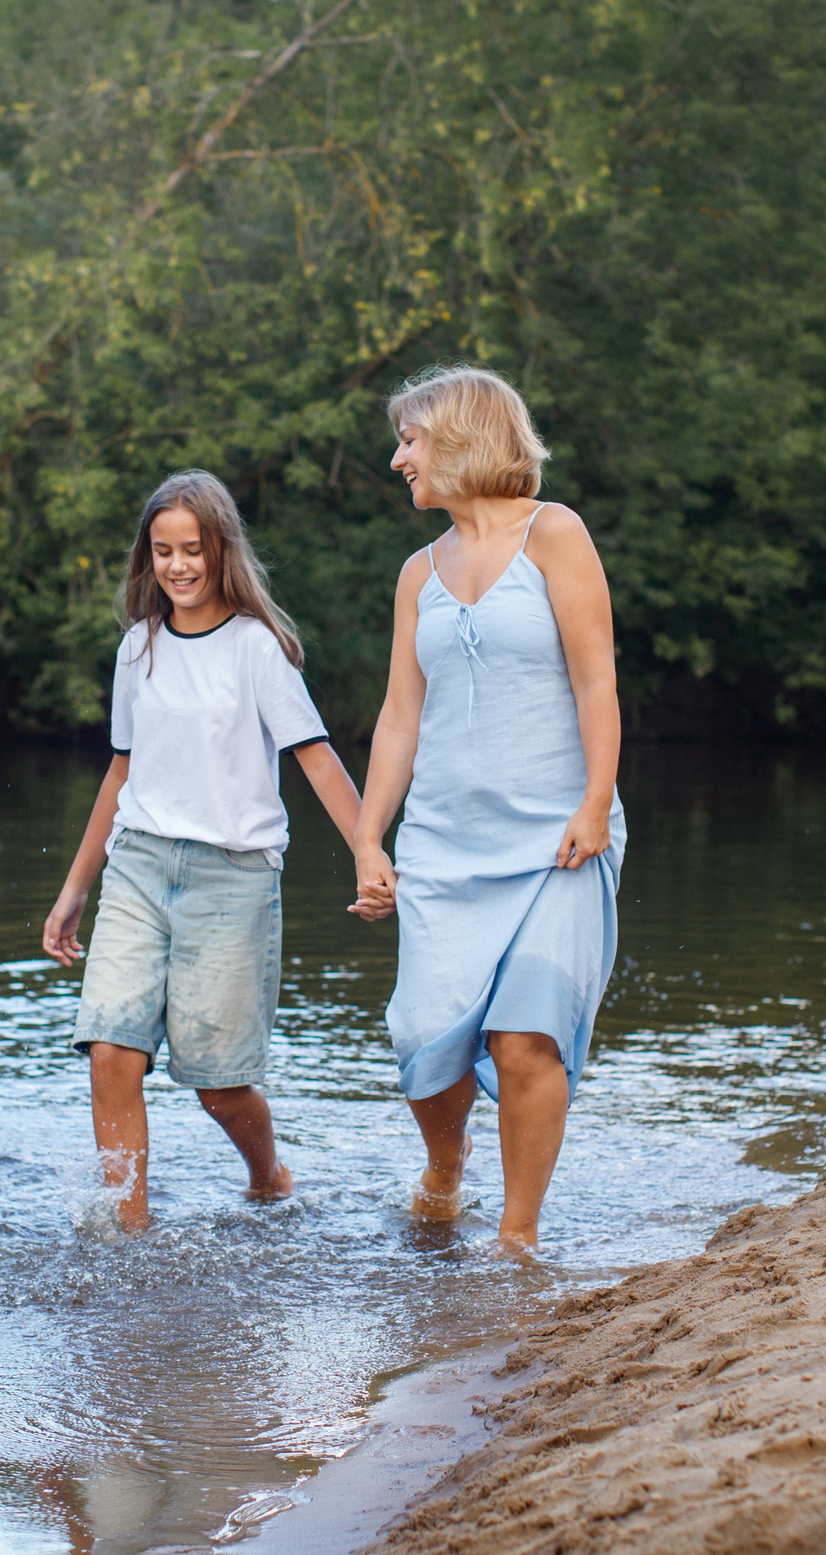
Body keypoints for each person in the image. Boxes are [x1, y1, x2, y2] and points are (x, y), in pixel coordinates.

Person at [42, 470, 369, 1232]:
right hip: (139, 866)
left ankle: (269, 1174)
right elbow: (120, 772)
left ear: (221, 550)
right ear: (147, 557)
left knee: (218, 1086)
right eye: (163, 551)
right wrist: (73, 890)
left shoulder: (258, 649)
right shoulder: (138, 648)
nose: (178, 566)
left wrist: (367, 851)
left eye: (192, 549)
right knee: (110, 1052)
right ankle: (132, 1238)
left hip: (233, 878)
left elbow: (317, 757)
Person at [352, 365, 626, 1254]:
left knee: (524, 1039)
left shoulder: (556, 535)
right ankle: (445, 1162)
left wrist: (594, 802)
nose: (400, 458)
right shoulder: (415, 574)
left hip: (559, 842)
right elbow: (400, 717)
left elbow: (596, 681)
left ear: (464, 438)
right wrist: (368, 836)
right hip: (444, 845)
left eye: (412, 439)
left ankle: (517, 1241)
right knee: (426, 1049)